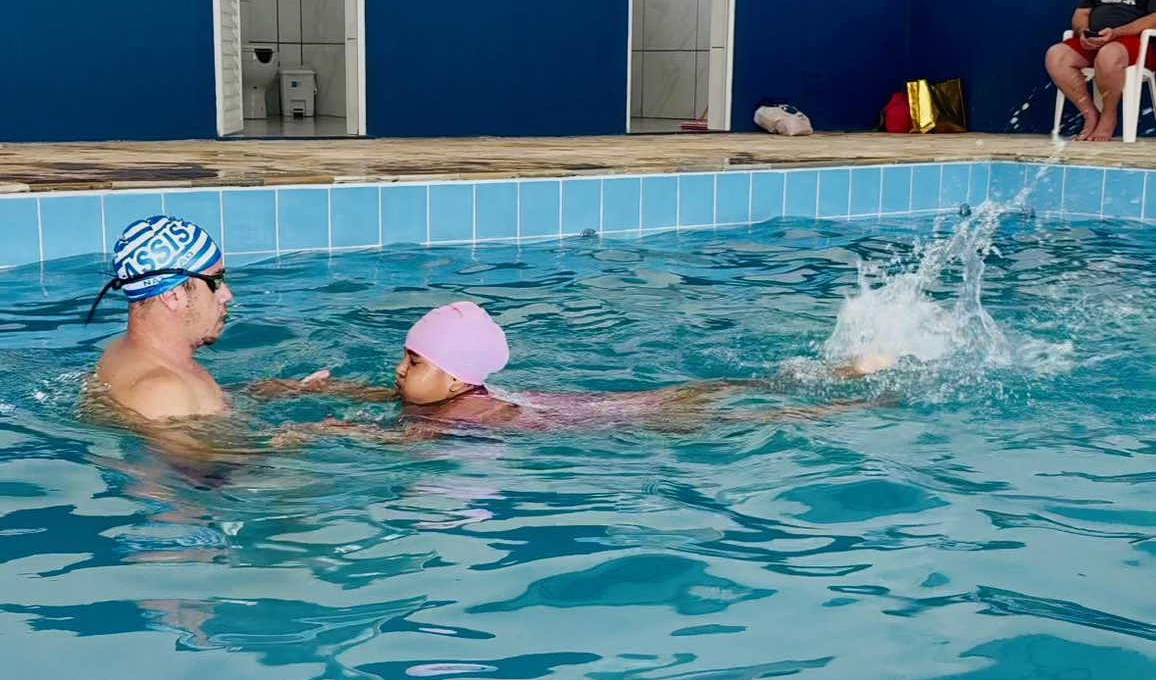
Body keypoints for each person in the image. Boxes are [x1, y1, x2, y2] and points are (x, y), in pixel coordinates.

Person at [257, 301, 894, 443]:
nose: (396, 371)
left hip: (612, 420)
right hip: (598, 402)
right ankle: (840, 373)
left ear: (455, 380)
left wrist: (328, 431)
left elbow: (393, 439)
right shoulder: (444, 393)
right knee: (724, 391)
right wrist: (302, 391)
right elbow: (379, 397)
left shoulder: (449, 421)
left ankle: (844, 403)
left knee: (728, 415)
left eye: (412, 361)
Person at [87, 215, 233, 421]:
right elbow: (192, 452)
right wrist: (288, 443)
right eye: (215, 282)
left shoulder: (124, 353)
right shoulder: (162, 392)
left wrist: (249, 392)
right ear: (172, 296)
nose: (226, 295)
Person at [1045, 0, 1156, 141]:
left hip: (1134, 43)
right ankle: (1090, 114)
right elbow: (1081, 13)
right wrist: (1083, 33)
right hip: (1096, 39)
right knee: (1056, 56)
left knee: (1108, 55)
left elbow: (1154, 19)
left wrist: (1116, 33)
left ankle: (1108, 115)